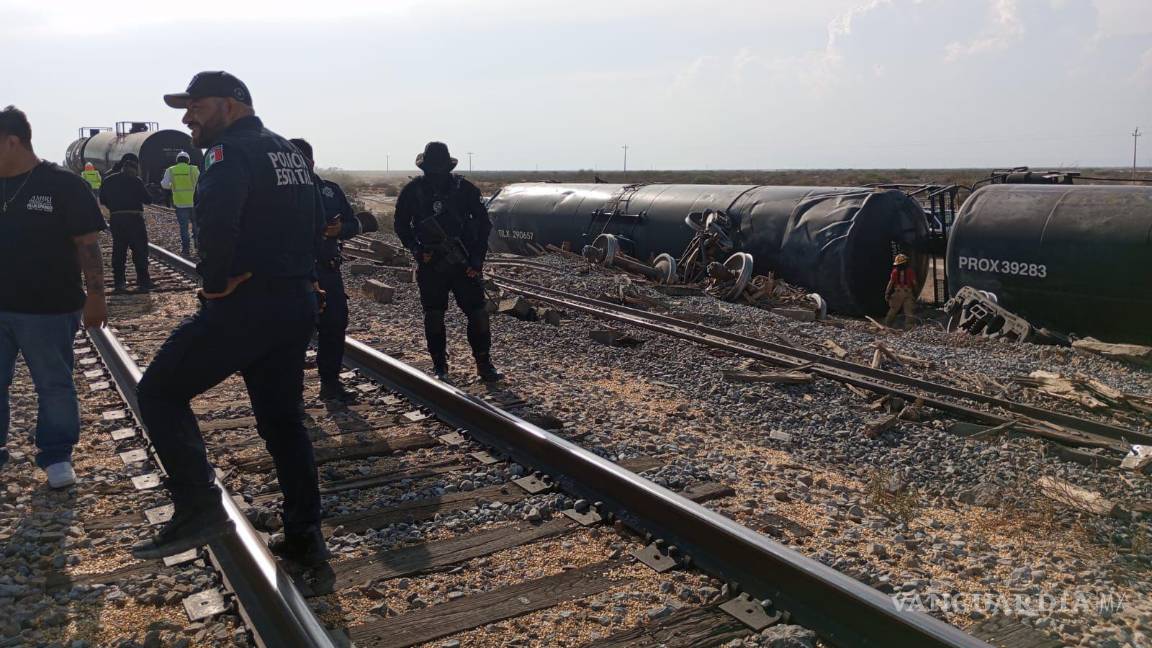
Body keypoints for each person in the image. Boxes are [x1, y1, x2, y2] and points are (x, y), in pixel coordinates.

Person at [131, 72, 328, 566]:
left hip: (246, 305)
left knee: (158, 391)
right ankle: (305, 534)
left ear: (233, 104)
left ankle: (199, 507)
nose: (187, 117)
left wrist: (215, 281)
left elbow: (216, 220)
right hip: (293, 301)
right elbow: (312, 222)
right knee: (284, 422)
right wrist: (304, 275)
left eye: (196, 105)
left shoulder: (226, 153)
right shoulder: (286, 150)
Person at [0, 106, 107, 487]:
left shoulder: (63, 184)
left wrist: (97, 297)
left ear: (12, 141)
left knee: (54, 384)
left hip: (48, 310)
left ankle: (57, 455)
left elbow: (87, 244)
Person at [394, 142, 501, 382]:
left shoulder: (465, 189)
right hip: (431, 264)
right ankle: (439, 365)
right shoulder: (413, 191)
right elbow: (401, 225)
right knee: (433, 314)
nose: (436, 175)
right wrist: (417, 250)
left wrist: (476, 259)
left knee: (477, 313)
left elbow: (484, 225)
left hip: (463, 264)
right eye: (432, 170)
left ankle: (484, 364)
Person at [288, 138, 360, 402]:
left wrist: (341, 230)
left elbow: (353, 223)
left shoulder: (330, 190)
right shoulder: (275, 193)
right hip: (292, 274)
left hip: (328, 271)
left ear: (312, 161)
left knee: (334, 327)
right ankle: (291, 393)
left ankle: (330, 385)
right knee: (293, 334)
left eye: (303, 160)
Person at [99, 154, 153, 293]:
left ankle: (119, 283)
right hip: (135, 218)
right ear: (133, 169)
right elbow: (148, 200)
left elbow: (103, 200)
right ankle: (144, 282)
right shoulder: (136, 181)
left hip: (117, 219)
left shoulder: (108, 180)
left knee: (119, 251)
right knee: (140, 250)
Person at [160, 151, 200, 257]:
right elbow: (199, 182)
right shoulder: (193, 169)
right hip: (194, 202)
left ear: (177, 160)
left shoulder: (171, 170)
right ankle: (198, 246)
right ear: (188, 160)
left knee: (184, 227)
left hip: (180, 203)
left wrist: (173, 186)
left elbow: (164, 185)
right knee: (196, 225)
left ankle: (186, 250)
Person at [884, 253, 917, 329]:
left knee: (895, 310)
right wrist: (915, 293)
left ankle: (887, 325)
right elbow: (914, 284)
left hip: (899, 293)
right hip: (906, 292)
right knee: (907, 311)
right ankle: (908, 327)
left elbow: (890, 283)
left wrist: (887, 293)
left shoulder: (895, 272)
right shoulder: (909, 271)